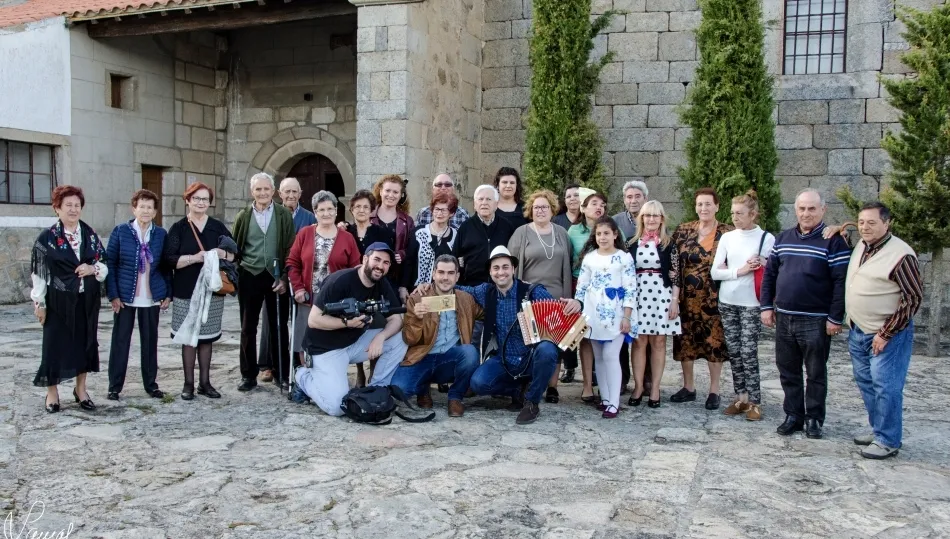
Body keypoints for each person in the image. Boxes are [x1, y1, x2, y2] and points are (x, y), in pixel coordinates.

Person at [760, 188, 850, 439]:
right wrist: (766, 306)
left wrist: (835, 317)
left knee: (816, 372)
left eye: (812, 208)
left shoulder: (835, 241)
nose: (806, 213)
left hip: (816, 321)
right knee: (787, 370)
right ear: (796, 209)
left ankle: (814, 419)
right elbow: (770, 274)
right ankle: (793, 415)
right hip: (784, 317)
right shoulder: (784, 238)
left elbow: (840, 282)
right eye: (802, 208)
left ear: (823, 210)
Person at [460, 246, 582, 424]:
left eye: (505, 267)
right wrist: (429, 286)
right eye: (496, 268)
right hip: (504, 358)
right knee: (479, 383)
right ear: (490, 271)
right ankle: (518, 390)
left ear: (513, 269)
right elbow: (458, 289)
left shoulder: (531, 291)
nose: (501, 272)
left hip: (531, 358)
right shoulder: (485, 291)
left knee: (548, 349)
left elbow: (560, 308)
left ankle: (532, 401)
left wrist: (577, 303)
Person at [293, 243, 409, 416]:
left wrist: (381, 337)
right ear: (365, 259)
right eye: (377, 259)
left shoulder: (381, 282)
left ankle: (376, 389)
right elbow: (314, 320)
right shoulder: (340, 280)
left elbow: (396, 319)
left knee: (400, 337)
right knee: (337, 407)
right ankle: (302, 376)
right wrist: (347, 323)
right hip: (326, 349)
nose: (380, 266)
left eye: (386, 262)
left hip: (354, 343)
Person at [845, 202, 922, 459]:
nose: (865, 227)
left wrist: (886, 333)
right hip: (859, 330)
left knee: (886, 385)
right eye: (862, 222)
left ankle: (888, 440)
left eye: (872, 223)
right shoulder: (862, 246)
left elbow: (912, 299)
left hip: (886, 334)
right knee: (866, 382)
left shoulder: (901, 255)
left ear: (887, 223)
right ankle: (879, 429)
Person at [32, 185, 108, 413]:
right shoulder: (47, 238)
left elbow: (104, 266)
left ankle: (81, 390)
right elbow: (39, 274)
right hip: (57, 303)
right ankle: (52, 393)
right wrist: (40, 303)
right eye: (68, 205)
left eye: (77, 205)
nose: (73, 210)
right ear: (57, 208)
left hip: (86, 301)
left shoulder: (90, 235)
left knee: (84, 345)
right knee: (54, 347)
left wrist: (91, 267)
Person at [162, 182, 235, 400]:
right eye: (196, 198)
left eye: (205, 199)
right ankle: (188, 384)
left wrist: (222, 254)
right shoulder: (179, 228)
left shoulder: (217, 227)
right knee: (188, 338)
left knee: (206, 338)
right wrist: (195, 258)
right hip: (186, 289)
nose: (201, 203)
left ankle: (205, 382)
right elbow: (169, 259)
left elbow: (234, 254)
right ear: (188, 200)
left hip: (212, 290)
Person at [711, 191, 775, 421]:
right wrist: (740, 271)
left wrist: (762, 263)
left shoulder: (766, 238)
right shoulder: (728, 238)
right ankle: (741, 397)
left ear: (753, 214)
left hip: (752, 303)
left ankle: (755, 401)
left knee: (749, 351)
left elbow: (773, 270)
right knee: (735, 351)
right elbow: (715, 271)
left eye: (739, 213)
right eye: (732, 213)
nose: (735, 217)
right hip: (728, 301)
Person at [391, 254, 482, 416]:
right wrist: (417, 319)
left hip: (449, 359)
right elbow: (409, 339)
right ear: (433, 274)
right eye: (441, 272)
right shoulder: (418, 297)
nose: (445, 278)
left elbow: (488, 313)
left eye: (450, 273)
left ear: (457, 276)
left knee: (469, 352)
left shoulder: (466, 299)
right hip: (422, 358)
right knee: (400, 390)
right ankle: (422, 388)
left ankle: (455, 397)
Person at [105, 189, 172, 401]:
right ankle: (114, 386)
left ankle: (151, 385)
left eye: (149, 207)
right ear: (134, 208)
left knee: (150, 342)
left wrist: (167, 293)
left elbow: (165, 266)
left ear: (154, 212)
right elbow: (111, 264)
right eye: (141, 206)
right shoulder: (121, 231)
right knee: (120, 341)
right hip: (125, 297)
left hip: (151, 297)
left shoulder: (160, 234)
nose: (145, 210)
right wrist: (113, 294)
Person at [670, 188, 734, 410]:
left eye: (708, 204)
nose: (704, 208)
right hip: (686, 299)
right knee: (685, 342)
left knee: (713, 343)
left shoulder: (728, 232)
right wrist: (673, 296)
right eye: (700, 204)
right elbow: (675, 263)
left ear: (717, 206)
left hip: (714, 299)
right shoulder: (683, 230)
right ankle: (688, 387)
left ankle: (714, 390)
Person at [507, 190, 572, 404]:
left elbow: (568, 266)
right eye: (536, 207)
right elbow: (512, 267)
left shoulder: (562, 233)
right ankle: (529, 382)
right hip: (530, 297)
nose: (541, 210)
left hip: (557, 297)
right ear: (530, 211)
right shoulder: (521, 233)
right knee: (530, 340)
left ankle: (552, 386)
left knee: (556, 342)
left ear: (552, 209)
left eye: (544, 206)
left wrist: (568, 297)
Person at [232, 172, 295, 392]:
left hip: (275, 276)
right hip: (250, 274)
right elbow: (236, 245)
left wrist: (285, 278)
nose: (262, 193)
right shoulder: (244, 216)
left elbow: (290, 247)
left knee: (279, 327)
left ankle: (281, 374)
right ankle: (248, 375)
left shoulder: (282, 215)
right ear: (252, 192)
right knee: (247, 327)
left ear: (273, 191)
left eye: (266, 189)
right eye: (258, 189)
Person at [287, 191, 361, 368]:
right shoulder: (305, 234)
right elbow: (292, 262)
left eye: (330, 209)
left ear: (336, 211)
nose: (326, 213)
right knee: (303, 338)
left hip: (336, 300)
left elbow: (355, 268)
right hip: (308, 297)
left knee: (330, 338)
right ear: (315, 212)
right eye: (321, 209)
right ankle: (306, 375)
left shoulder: (347, 238)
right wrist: (298, 288)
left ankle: (328, 374)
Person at [575, 217, 637, 418]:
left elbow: (630, 288)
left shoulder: (624, 258)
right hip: (593, 314)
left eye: (606, 233)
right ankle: (605, 398)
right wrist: (579, 312)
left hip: (616, 313)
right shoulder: (590, 257)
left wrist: (627, 316)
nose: (602, 237)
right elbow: (581, 287)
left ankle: (614, 402)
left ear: (615, 235)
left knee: (611, 355)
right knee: (599, 358)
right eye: (599, 234)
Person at [258, 176, 318, 380]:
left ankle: (295, 361)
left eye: (295, 192)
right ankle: (268, 364)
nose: (291, 195)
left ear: (300, 194)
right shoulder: (271, 214)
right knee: (272, 320)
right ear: (279, 194)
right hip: (276, 274)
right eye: (287, 192)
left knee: (300, 321)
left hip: (301, 276)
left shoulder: (310, 217)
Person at [628, 201, 681, 408]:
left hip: (662, 296)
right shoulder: (631, 243)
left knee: (659, 342)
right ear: (641, 218)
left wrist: (675, 301)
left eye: (655, 215)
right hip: (639, 296)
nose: (651, 219)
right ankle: (639, 386)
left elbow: (676, 276)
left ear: (661, 219)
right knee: (639, 342)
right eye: (647, 215)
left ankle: (656, 388)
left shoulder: (669, 243)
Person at [568, 188, 607, 403]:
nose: (598, 207)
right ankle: (586, 386)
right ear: (583, 208)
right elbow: (567, 261)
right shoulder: (573, 231)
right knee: (585, 337)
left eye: (602, 204)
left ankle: (606, 382)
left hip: (606, 291)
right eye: (593, 203)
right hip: (581, 287)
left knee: (606, 337)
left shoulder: (611, 228)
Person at [454, 184, 516, 286]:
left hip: (501, 286)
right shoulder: (465, 227)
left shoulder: (507, 226)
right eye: (480, 199)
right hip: (472, 286)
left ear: (496, 204)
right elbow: (456, 257)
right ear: (474, 204)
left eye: (488, 199)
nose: (484, 203)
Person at [371, 174, 414, 303]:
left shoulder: (408, 221)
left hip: (396, 277)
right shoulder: (368, 216)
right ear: (380, 191)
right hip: (371, 275)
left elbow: (411, 251)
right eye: (387, 190)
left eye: (395, 192)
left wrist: (402, 253)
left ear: (401, 195)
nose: (391, 195)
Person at [403, 192, 459, 290]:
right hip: (417, 290)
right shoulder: (418, 233)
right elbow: (408, 262)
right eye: (436, 209)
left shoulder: (456, 236)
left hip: (445, 291)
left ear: (452, 213)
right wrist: (403, 287)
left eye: (444, 210)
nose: (439, 213)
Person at [345, 189, 395, 255]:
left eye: (366, 207)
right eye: (358, 206)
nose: (362, 210)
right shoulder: (346, 232)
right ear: (352, 210)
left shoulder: (382, 233)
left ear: (371, 211)